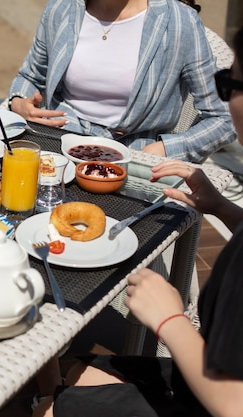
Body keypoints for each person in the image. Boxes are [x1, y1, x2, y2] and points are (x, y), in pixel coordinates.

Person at [32, 24, 243, 417]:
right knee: (70, 371)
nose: (226, 100)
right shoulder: (62, 13)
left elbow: (234, 404)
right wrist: (225, 210)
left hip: (215, 395)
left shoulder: (173, 21)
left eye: (231, 84)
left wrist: (170, 320)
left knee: (48, 408)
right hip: (204, 374)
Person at [7, 0, 235, 163]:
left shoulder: (179, 22)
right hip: (55, 145)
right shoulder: (60, 9)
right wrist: (17, 101)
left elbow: (225, 118)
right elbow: (30, 76)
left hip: (134, 157)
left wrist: (167, 148)